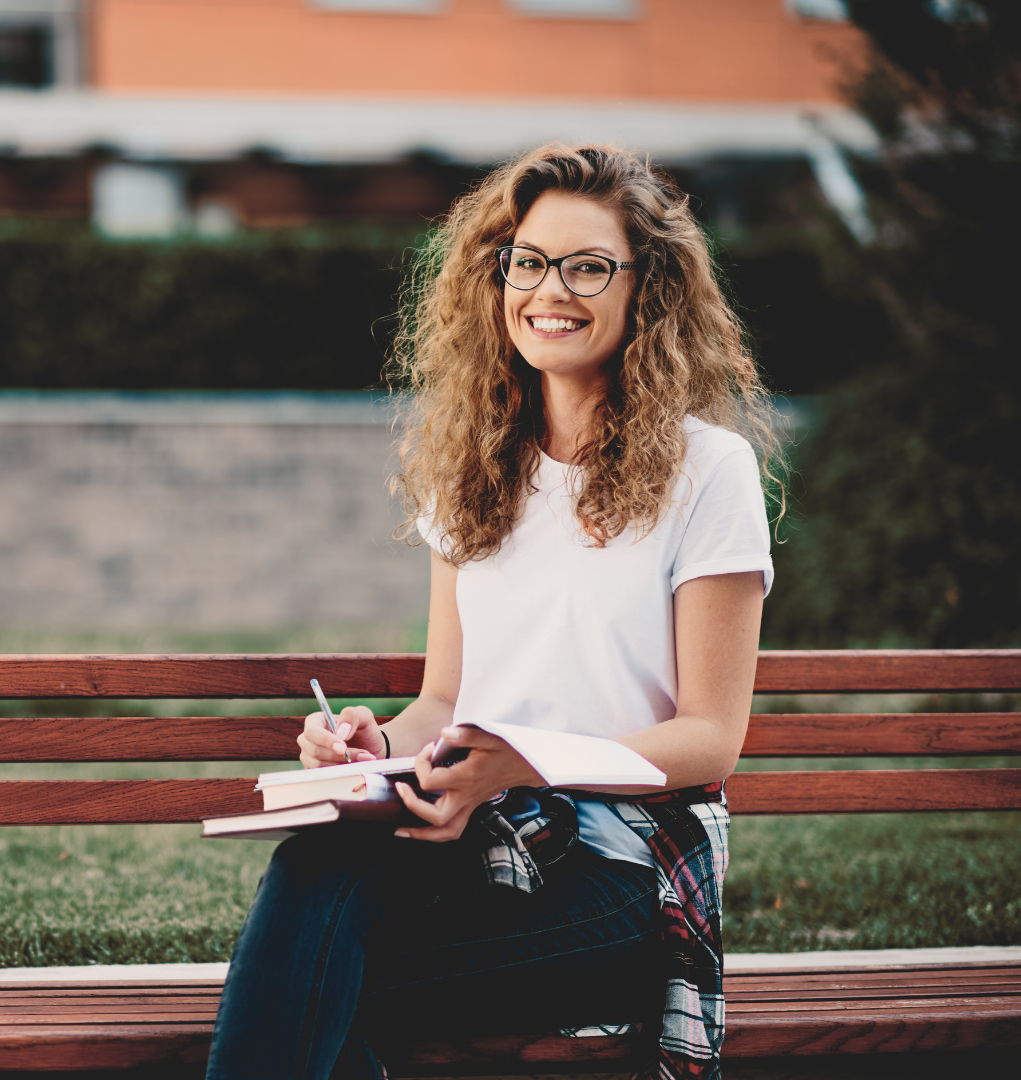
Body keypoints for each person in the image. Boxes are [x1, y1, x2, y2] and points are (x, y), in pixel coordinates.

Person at [204, 144, 778, 1080]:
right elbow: (445, 702)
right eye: (529, 261)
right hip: (476, 840)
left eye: (588, 266)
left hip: (621, 876)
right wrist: (370, 749)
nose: (550, 289)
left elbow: (711, 738)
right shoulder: (473, 467)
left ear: (648, 289)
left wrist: (522, 763)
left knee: (317, 979)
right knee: (316, 869)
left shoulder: (708, 470)